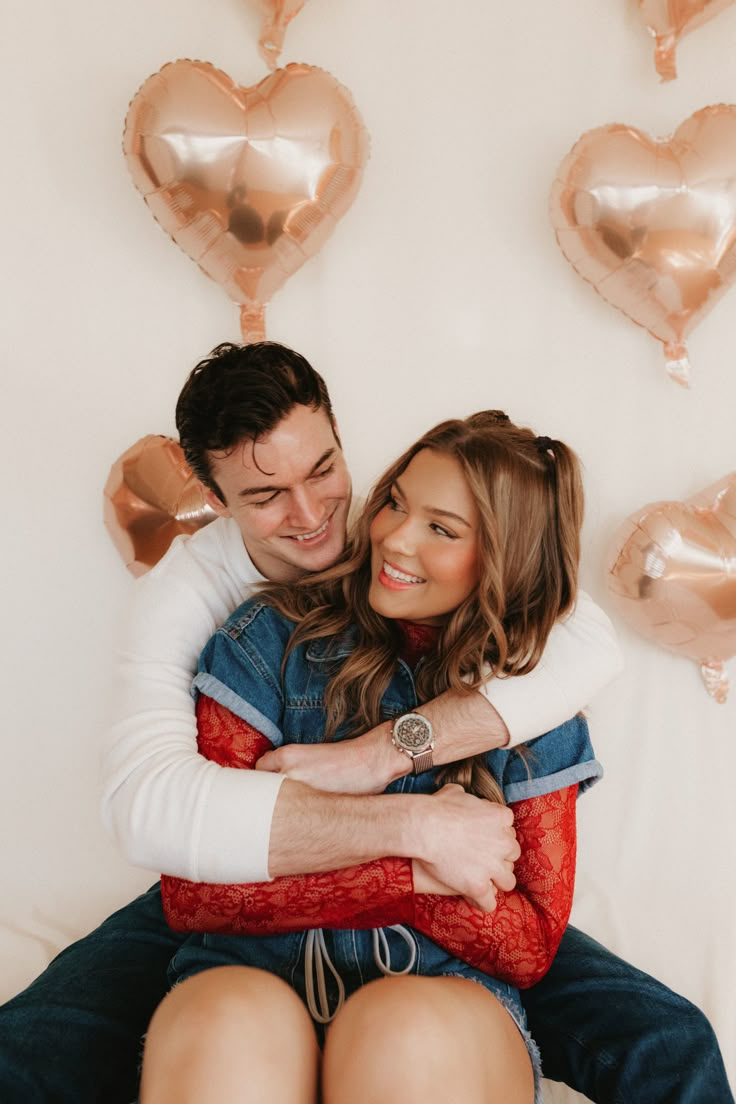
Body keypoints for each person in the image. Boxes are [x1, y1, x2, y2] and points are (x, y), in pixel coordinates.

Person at [0, 343, 730, 1103]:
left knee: (666, 1041)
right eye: (265, 495)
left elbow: (582, 642)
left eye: (322, 472)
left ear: (340, 441)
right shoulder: (198, 601)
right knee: (33, 1048)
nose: (314, 517)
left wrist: (381, 754)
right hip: (256, 866)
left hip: (435, 923)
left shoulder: (404, 515)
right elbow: (149, 810)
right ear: (216, 499)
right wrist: (412, 836)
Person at [140, 410, 604, 1104]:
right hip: (248, 970)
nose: (392, 536)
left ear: (503, 558)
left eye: (441, 530)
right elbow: (198, 895)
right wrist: (416, 867)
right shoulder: (266, 640)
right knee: (228, 1026)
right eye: (395, 502)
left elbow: (529, 944)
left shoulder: (534, 697)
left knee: (402, 1029)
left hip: (446, 993)